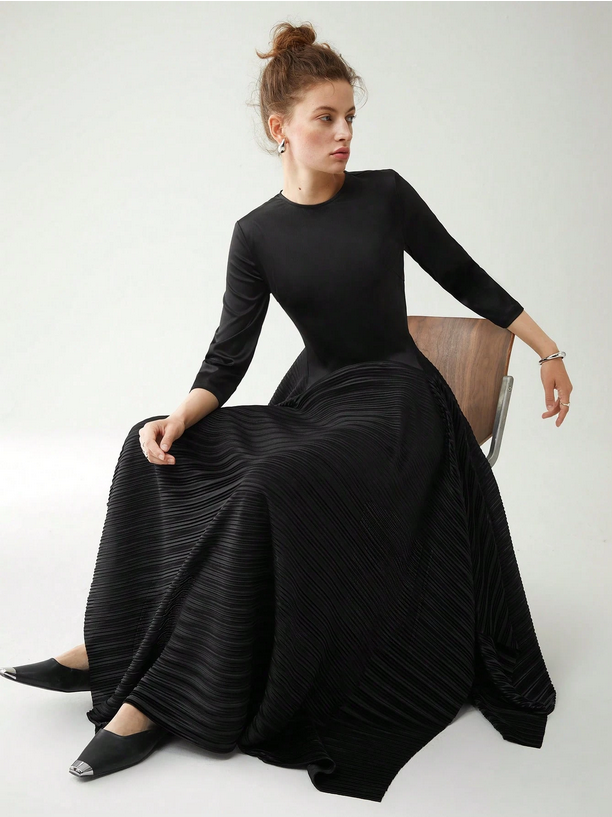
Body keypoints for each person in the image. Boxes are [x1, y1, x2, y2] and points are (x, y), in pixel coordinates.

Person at [1, 22, 569, 800]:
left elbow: (467, 277)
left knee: (270, 483)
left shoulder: (386, 196)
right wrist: (178, 415)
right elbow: (228, 357)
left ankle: (150, 698)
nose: (343, 134)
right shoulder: (256, 234)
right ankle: (117, 643)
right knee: (157, 451)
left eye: (348, 119)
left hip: (399, 401)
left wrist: (548, 350)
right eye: (325, 119)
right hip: (318, 395)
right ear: (282, 129)